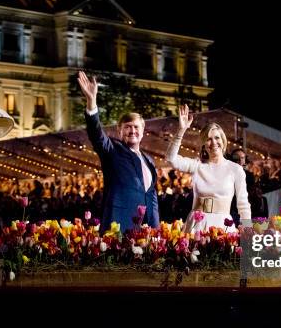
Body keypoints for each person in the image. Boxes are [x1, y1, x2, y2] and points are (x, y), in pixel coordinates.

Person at [77, 70, 159, 232]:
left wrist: (155, 227)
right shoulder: (112, 150)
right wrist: (91, 102)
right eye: (127, 127)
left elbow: (151, 196)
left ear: (143, 131)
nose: (132, 131)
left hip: (146, 229)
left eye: (136, 127)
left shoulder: (149, 160)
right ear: (119, 131)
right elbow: (96, 134)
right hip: (119, 226)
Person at [166, 104, 251, 233]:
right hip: (196, 226)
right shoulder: (197, 165)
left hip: (223, 227)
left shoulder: (235, 169)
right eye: (208, 139)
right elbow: (171, 159)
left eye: (217, 138)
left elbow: (243, 205)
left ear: (223, 141)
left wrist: (247, 230)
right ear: (204, 145)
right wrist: (181, 130)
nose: (214, 142)